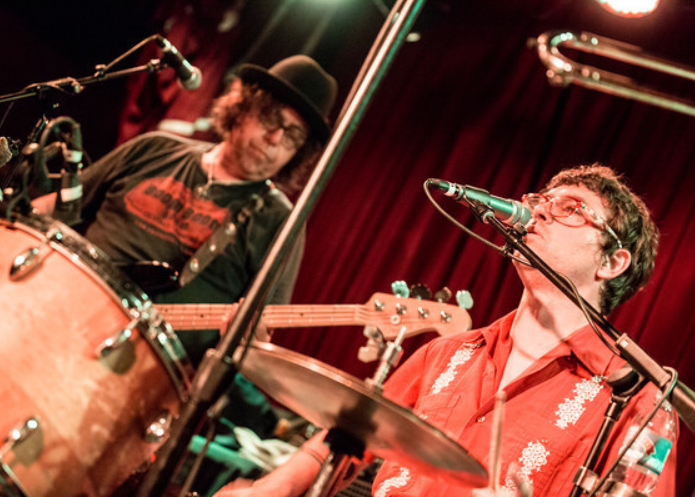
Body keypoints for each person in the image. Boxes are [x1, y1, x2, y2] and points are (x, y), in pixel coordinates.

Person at [213, 164, 677, 497]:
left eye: (571, 209)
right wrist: (267, 490)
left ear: (612, 262)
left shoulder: (638, 401)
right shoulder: (446, 353)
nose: (537, 212)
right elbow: (346, 439)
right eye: (540, 200)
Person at [33, 55, 338, 493]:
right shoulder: (155, 149)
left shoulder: (279, 221)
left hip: (136, 387)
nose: (275, 139)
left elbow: (260, 338)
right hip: (50, 322)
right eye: (272, 119)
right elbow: (56, 212)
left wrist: (246, 341)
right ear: (242, 107)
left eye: (292, 136)